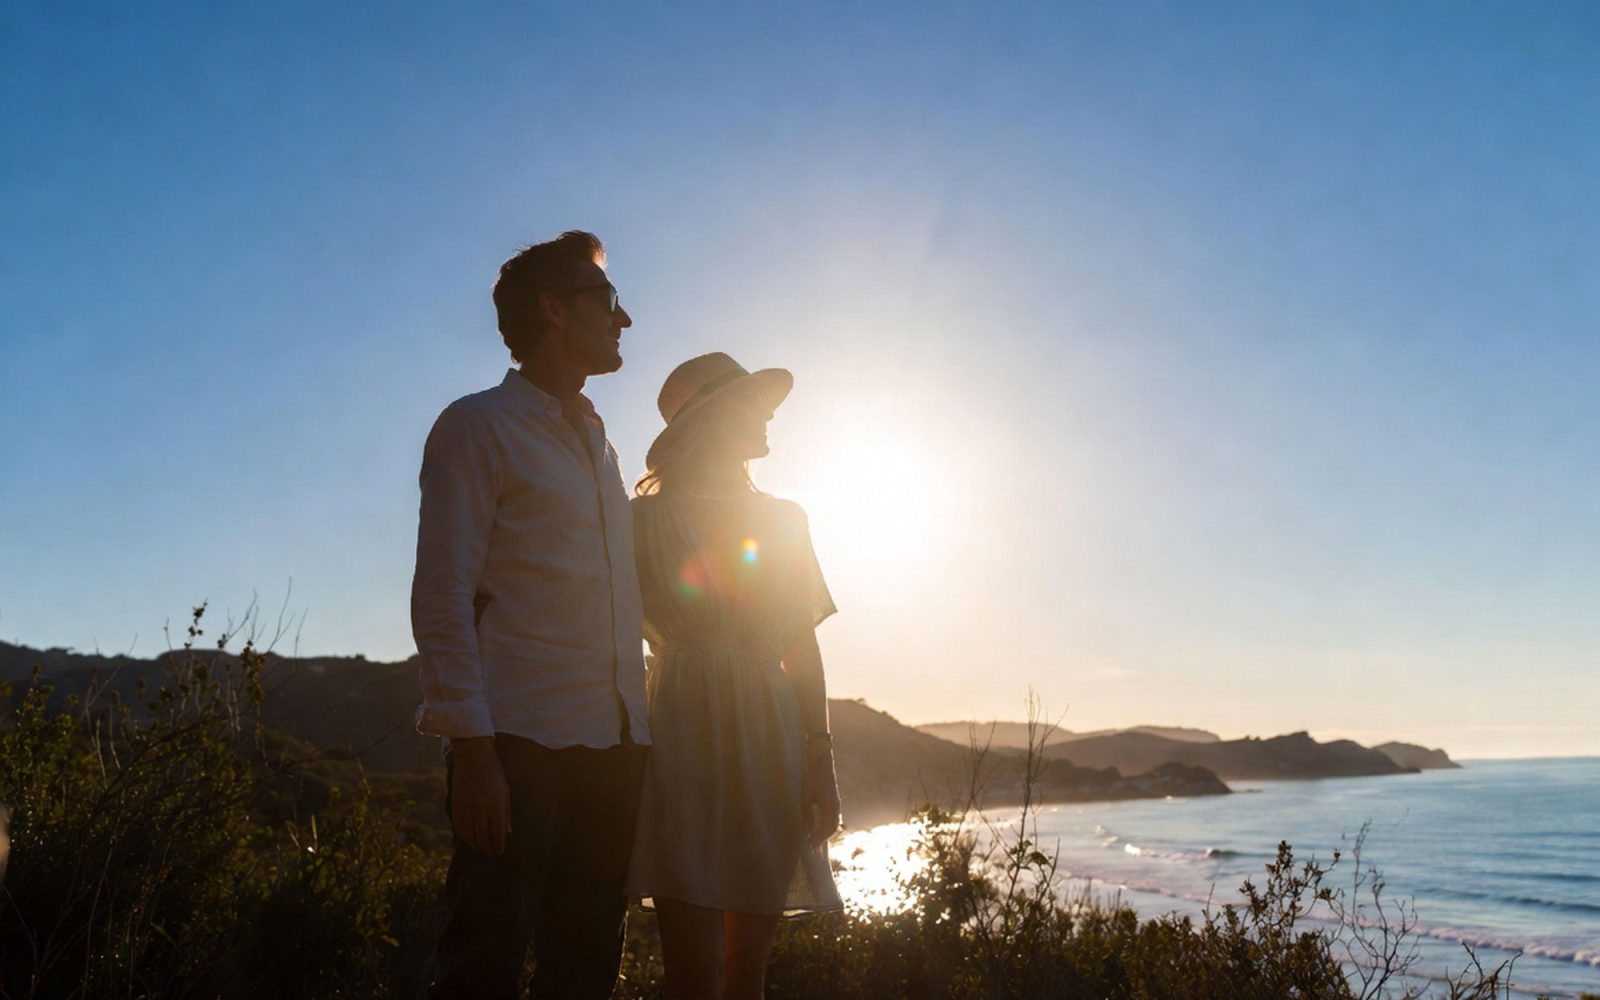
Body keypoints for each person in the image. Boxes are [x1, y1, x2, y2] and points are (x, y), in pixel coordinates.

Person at [411, 230, 651, 1000]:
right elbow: (441, 593)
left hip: (615, 745)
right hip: (517, 743)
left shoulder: (600, 442)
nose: (625, 319)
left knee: (583, 971)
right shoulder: (477, 425)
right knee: (483, 964)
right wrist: (475, 756)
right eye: (607, 301)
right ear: (552, 310)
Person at [627, 352, 843, 1000]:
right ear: (712, 418)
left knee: (746, 971)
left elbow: (800, 647)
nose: (770, 416)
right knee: (691, 974)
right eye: (754, 403)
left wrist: (821, 759)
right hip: (677, 735)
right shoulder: (640, 522)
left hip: (768, 738)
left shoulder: (785, 519)